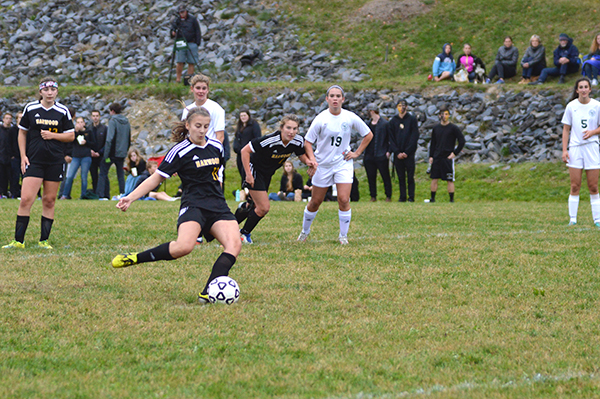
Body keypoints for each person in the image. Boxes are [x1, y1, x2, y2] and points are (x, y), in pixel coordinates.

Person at [111, 107, 241, 305]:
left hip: (218, 205)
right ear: (188, 125)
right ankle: (136, 258)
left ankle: (208, 292)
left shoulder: (216, 146)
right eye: (198, 126)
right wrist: (131, 197)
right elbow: (156, 178)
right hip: (194, 204)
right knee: (184, 247)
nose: (202, 130)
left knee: (234, 245)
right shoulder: (179, 151)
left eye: (206, 126)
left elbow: (218, 174)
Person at [2, 77, 74, 249]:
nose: (50, 93)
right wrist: (23, 156)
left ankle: (44, 241)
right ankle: (18, 241)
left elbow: (70, 135)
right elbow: (22, 133)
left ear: (57, 91)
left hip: (55, 161)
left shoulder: (63, 111)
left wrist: (53, 135)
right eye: (46, 89)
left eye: (53, 89)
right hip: (34, 161)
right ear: (40, 91)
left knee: (49, 201)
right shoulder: (31, 108)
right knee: (26, 199)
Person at [297, 85, 373, 245]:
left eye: (338, 96)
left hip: (342, 163)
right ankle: (305, 231)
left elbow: (368, 134)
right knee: (315, 201)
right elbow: (308, 142)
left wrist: (357, 153)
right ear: (327, 99)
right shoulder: (321, 119)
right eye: (332, 96)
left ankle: (343, 236)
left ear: (343, 99)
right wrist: (312, 160)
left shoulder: (350, 117)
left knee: (344, 199)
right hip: (323, 165)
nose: (335, 99)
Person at [236, 115, 316, 244]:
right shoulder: (270, 140)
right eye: (288, 128)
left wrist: (309, 162)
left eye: (295, 128)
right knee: (263, 208)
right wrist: (248, 174)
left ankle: (228, 226)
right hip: (255, 169)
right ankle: (243, 234)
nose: (291, 132)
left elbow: (301, 154)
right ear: (281, 128)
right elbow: (244, 151)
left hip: (267, 173)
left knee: (252, 206)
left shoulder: (297, 141)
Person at [561, 77, 600, 226]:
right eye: (581, 87)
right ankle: (573, 220)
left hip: (592, 147)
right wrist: (565, 150)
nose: (583, 90)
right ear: (577, 90)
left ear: (590, 89)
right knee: (575, 185)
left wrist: (593, 132)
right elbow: (566, 129)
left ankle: (597, 220)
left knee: (593, 186)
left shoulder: (597, 106)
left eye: (586, 87)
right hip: (576, 148)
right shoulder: (571, 106)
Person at [427, 106, 465, 203]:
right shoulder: (436, 128)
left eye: (446, 114)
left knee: (449, 179)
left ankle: (451, 199)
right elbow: (433, 143)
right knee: (434, 178)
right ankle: (432, 198)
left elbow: (462, 141)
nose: (444, 116)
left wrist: (455, 153)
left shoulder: (453, 128)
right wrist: (431, 156)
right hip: (437, 157)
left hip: (447, 157)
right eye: (443, 114)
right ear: (439, 115)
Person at [387, 99, 420, 202]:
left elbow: (414, 137)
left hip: (409, 154)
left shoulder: (412, 120)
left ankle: (411, 197)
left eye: (404, 106)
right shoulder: (393, 121)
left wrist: (407, 152)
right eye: (400, 106)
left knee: (410, 176)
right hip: (398, 155)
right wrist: (397, 152)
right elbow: (391, 139)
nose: (402, 108)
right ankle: (402, 197)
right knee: (400, 177)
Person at [97, 102, 131, 200]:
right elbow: (128, 137)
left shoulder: (113, 120)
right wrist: (125, 150)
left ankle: (101, 195)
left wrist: (106, 155)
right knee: (120, 174)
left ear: (112, 111)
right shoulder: (126, 121)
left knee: (103, 172)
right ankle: (122, 194)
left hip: (112, 152)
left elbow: (109, 139)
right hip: (122, 152)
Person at [181, 74, 225, 143]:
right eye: (198, 88)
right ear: (192, 89)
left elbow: (220, 136)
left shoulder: (216, 108)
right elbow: (185, 134)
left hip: (209, 149)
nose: (201, 91)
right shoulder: (187, 110)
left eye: (204, 88)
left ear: (207, 90)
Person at [61, 117, 96, 200]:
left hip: (86, 156)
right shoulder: (74, 132)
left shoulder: (89, 132)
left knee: (84, 177)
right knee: (69, 176)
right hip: (76, 156)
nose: (79, 124)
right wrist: (76, 132)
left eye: (81, 122)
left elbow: (94, 143)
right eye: (78, 122)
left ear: (84, 123)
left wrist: (86, 142)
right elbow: (70, 142)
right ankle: (65, 194)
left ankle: (83, 195)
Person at [363, 103, 391, 202]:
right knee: (371, 176)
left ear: (372, 111)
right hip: (369, 155)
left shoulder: (385, 124)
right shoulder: (367, 124)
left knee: (385, 176)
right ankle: (373, 196)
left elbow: (390, 138)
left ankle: (388, 195)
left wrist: (388, 151)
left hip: (381, 154)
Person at [170, 4, 201, 84]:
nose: (182, 14)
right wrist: (173, 32)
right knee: (180, 61)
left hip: (191, 42)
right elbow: (172, 29)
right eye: (180, 12)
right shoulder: (177, 20)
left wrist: (197, 42)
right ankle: (178, 79)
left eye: (183, 12)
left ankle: (189, 79)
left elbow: (197, 30)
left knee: (191, 61)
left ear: (186, 11)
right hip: (181, 42)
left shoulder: (193, 19)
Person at [233, 106, 262, 185]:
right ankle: (244, 189)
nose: (243, 117)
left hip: (250, 153)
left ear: (248, 115)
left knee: (249, 172)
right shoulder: (239, 126)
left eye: (244, 115)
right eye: (241, 116)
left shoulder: (254, 125)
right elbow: (236, 138)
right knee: (241, 172)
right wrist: (237, 149)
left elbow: (258, 138)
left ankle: (250, 190)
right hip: (240, 154)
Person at [89, 109, 107, 195]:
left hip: (101, 155)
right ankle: (95, 193)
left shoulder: (104, 128)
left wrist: (100, 152)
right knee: (93, 175)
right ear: (91, 117)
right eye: (93, 116)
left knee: (104, 175)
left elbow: (107, 143)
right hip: (91, 156)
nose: (95, 118)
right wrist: (90, 151)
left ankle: (105, 194)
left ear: (99, 117)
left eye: (97, 116)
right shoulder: (89, 128)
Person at [8, 112, 22, 198]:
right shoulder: (12, 130)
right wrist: (12, 155)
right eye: (19, 117)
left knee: (25, 176)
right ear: (16, 119)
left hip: (25, 156)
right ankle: (14, 194)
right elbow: (9, 143)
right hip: (15, 157)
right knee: (15, 176)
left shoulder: (27, 130)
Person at [0, 113, 13, 198]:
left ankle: (11, 192)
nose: (8, 120)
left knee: (11, 176)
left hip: (10, 157)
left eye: (10, 118)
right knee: (2, 176)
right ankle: (2, 192)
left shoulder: (12, 130)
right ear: (3, 119)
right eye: (6, 118)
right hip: (1, 155)